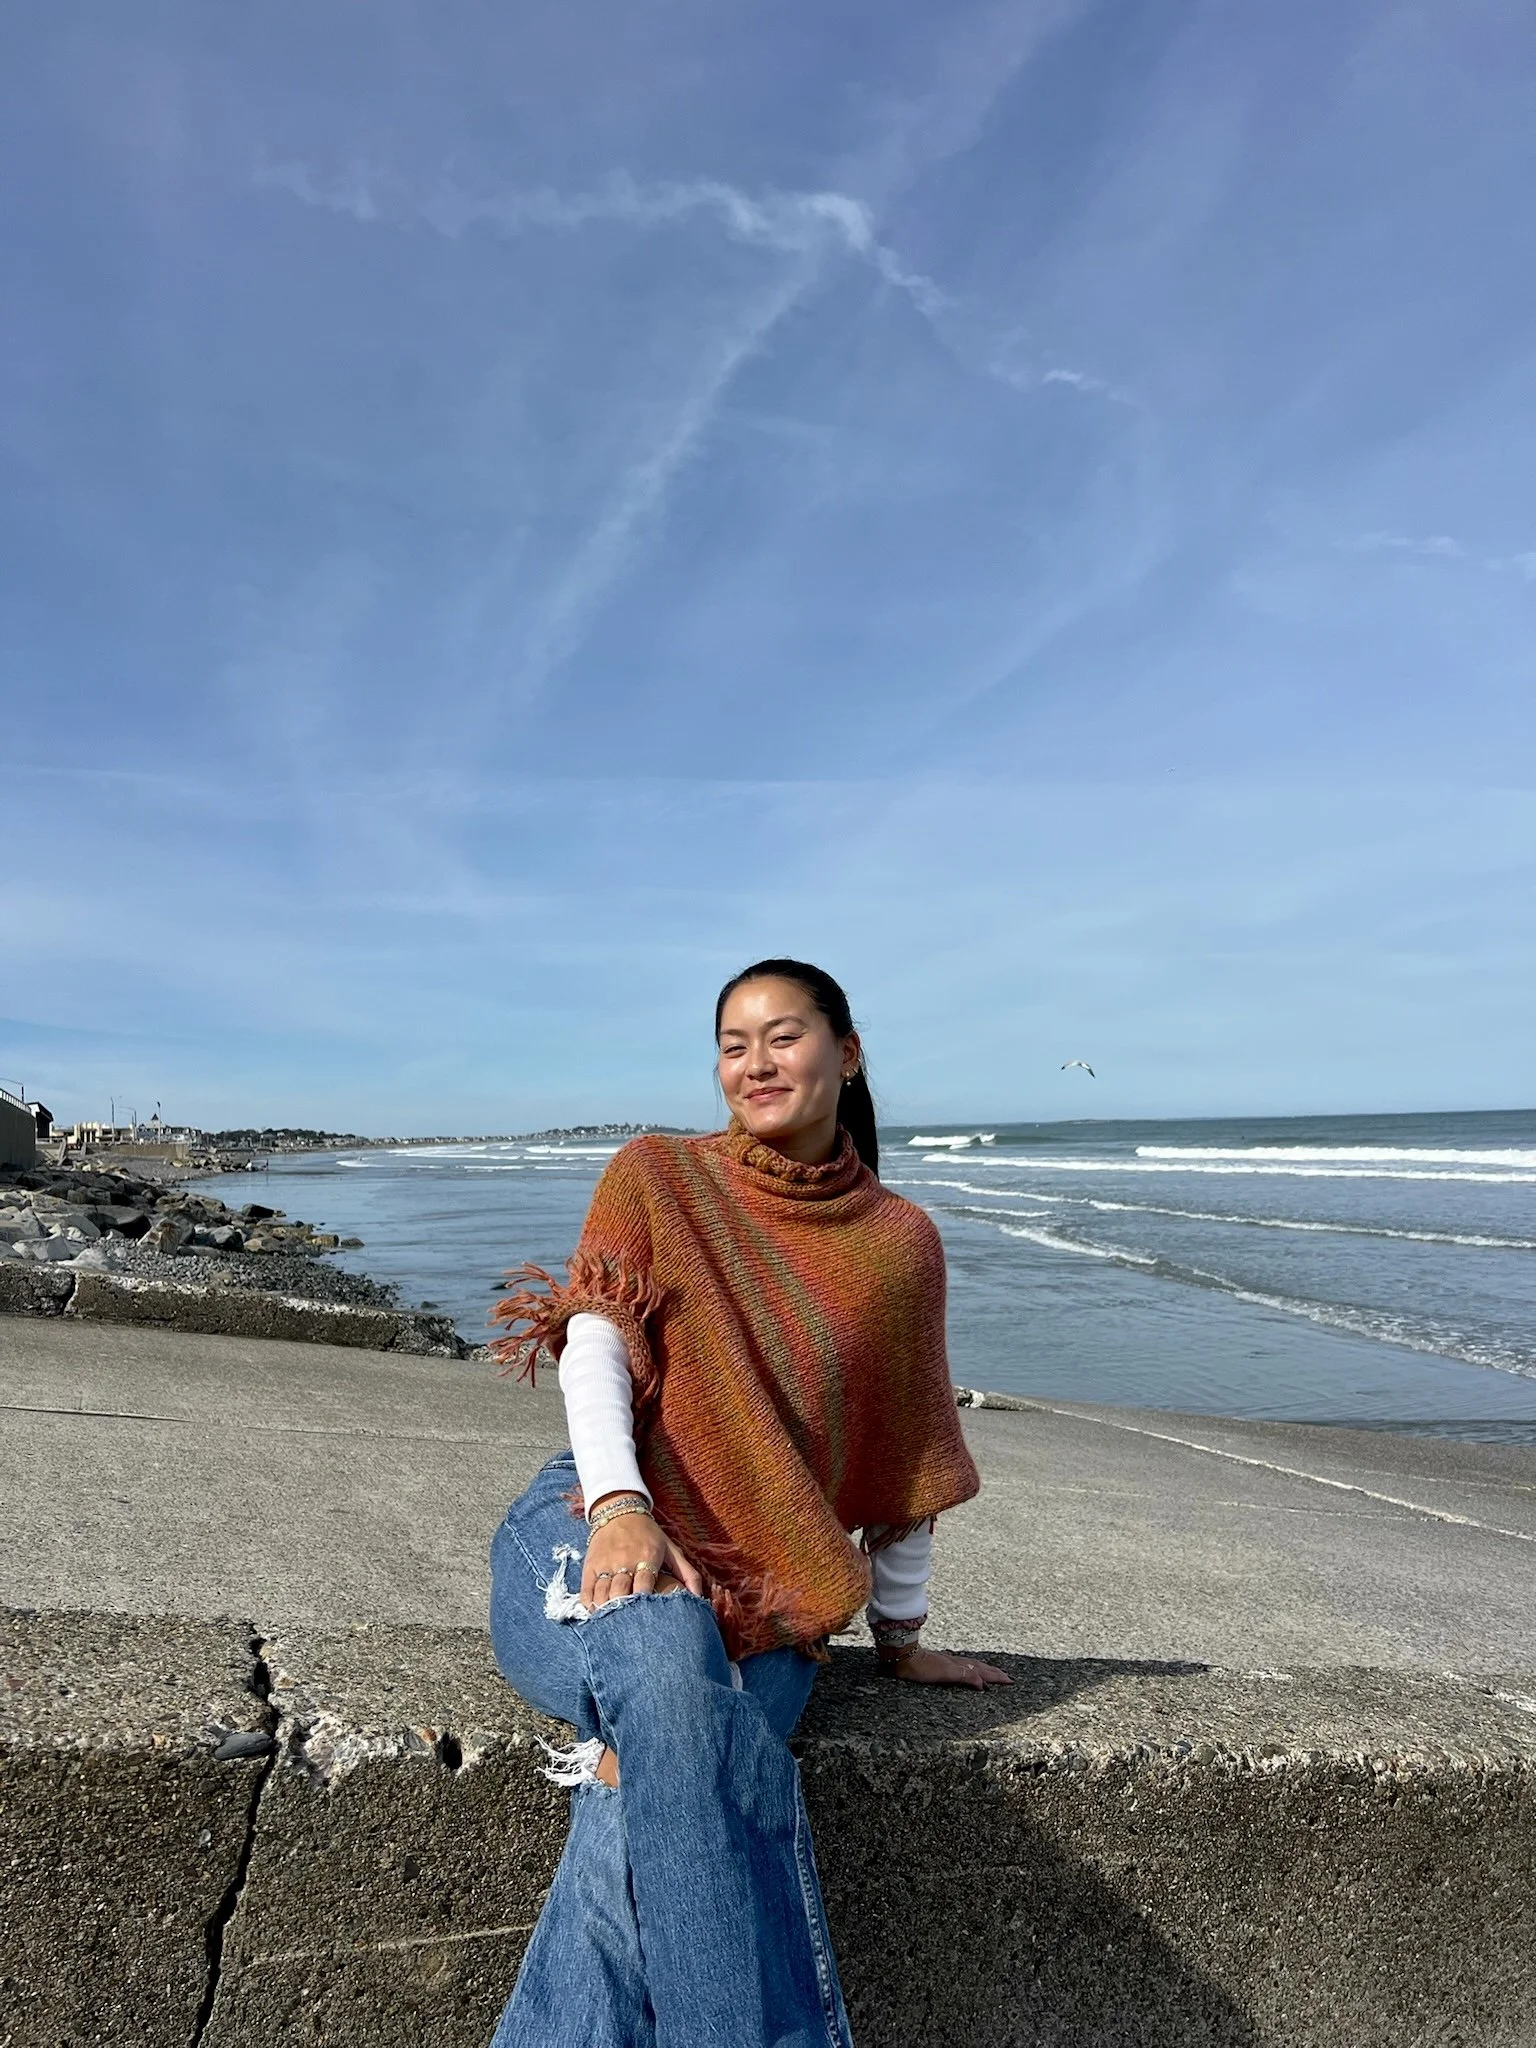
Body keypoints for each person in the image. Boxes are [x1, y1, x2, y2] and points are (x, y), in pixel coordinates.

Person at [486, 958, 1009, 2048]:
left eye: (784, 1034)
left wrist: (901, 1639)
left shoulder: (899, 1243)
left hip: (773, 1591)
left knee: (659, 1763)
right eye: (734, 1042)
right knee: (675, 1673)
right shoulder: (660, 1176)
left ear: (846, 1050)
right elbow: (592, 1340)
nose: (755, 1062)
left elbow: (905, 1454)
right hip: (592, 1518)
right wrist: (624, 1504)